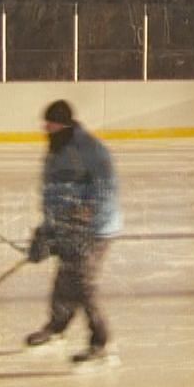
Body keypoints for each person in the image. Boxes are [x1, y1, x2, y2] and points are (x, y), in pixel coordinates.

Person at [24, 100, 121, 365]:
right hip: (67, 226)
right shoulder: (55, 151)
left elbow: (106, 190)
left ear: (63, 125)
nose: (46, 131)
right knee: (64, 279)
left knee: (82, 282)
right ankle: (57, 327)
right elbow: (51, 193)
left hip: (97, 230)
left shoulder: (91, 150)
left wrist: (85, 216)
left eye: (51, 126)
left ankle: (101, 342)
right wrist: (46, 232)